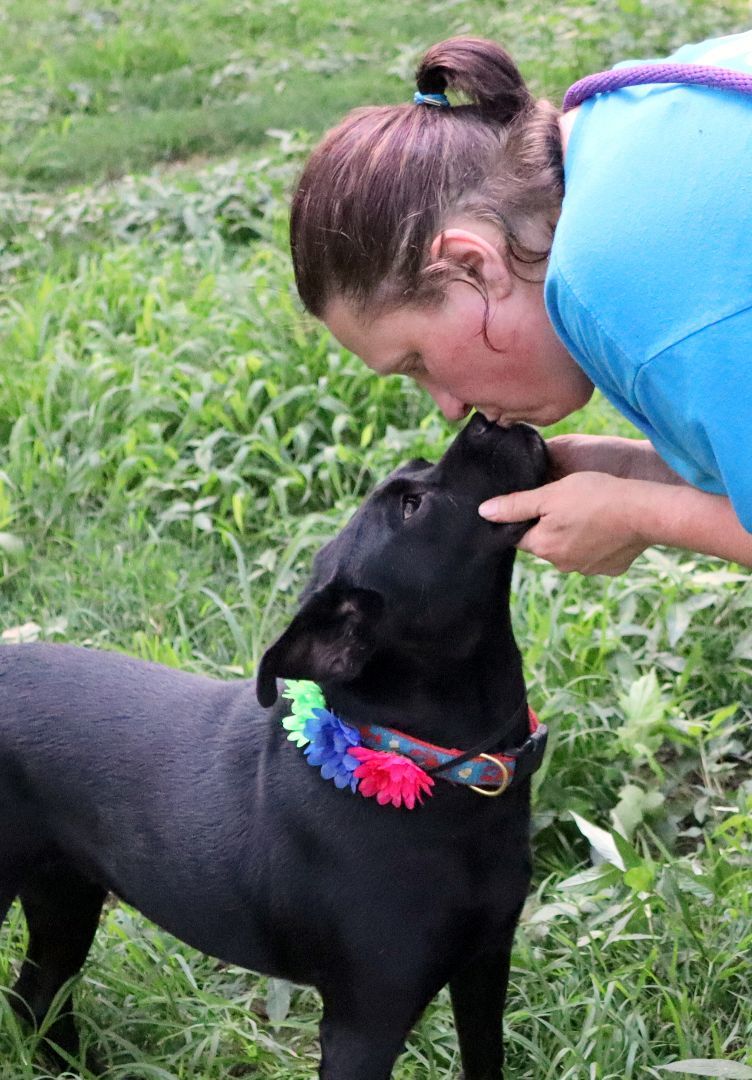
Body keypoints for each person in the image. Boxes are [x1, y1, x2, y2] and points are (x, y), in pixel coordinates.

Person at [289, 30, 752, 576]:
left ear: (472, 266)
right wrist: (640, 472)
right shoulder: (620, 120)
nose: (450, 408)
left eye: (416, 362)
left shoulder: (620, 287)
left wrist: (641, 514)